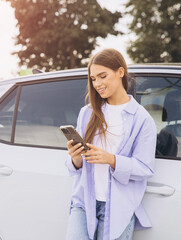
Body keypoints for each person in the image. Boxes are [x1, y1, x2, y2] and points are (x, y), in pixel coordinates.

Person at [65, 49, 157, 240]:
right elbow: (75, 168)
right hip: (84, 204)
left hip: (117, 209)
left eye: (102, 76)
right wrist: (75, 159)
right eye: (93, 79)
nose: (97, 84)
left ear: (121, 72)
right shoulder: (87, 113)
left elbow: (145, 168)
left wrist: (111, 159)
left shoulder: (142, 119)